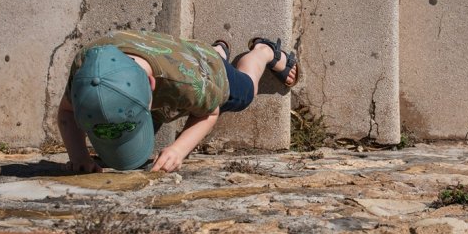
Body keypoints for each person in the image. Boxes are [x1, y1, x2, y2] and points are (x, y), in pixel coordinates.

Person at [57, 30, 298, 173]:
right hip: (167, 52)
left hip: (206, 69)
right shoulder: (86, 69)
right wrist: (79, 157)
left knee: (244, 92)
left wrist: (178, 150)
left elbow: (209, 113)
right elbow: (66, 113)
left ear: (152, 84)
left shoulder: (188, 85)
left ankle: (263, 51)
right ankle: (215, 50)